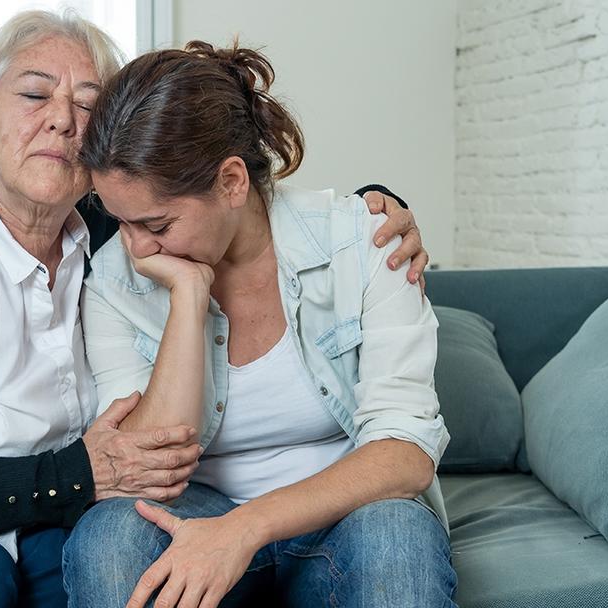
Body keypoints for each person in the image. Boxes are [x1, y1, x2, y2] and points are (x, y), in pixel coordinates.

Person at [0, 11, 429, 608]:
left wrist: (380, 206)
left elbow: (213, 193)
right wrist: (85, 474)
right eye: (34, 95)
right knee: (26, 562)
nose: (61, 120)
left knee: (86, 551)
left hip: (41, 511)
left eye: (86, 103)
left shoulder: (105, 226)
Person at [63, 41, 456, 607]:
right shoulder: (114, 281)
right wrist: (188, 296)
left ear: (231, 182)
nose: (136, 247)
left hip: (344, 515)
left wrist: (245, 528)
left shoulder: (363, 241)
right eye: (119, 221)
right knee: (109, 541)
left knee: (397, 537)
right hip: (192, 509)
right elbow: (149, 467)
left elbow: (405, 450)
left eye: (157, 223)